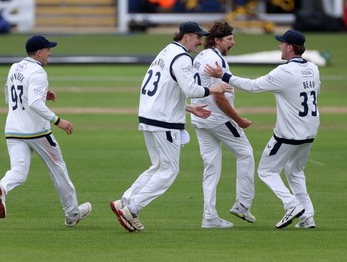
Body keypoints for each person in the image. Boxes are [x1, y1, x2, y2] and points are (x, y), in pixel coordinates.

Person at [110, 21, 232, 232]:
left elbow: (164, 89)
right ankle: (133, 210)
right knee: (169, 171)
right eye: (198, 37)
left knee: (158, 166)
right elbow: (191, 88)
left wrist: (189, 109)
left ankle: (126, 201)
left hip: (150, 116)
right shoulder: (182, 57)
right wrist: (215, 88)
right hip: (164, 121)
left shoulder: (166, 51)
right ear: (186, 37)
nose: (201, 42)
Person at [206, 29, 320, 229]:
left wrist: (224, 76)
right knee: (295, 172)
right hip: (309, 131)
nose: (279, 46)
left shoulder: (284, 71)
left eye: (282, 43)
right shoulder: (313, 68)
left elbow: (252, 86)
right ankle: (308, 216)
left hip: (288, 134)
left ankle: (291, 205)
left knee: (266, 171)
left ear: (290, 47)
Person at [0, 36, 91, 227]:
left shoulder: (15, 67)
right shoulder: (38, 72)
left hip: (13, 129)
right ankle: (72, 214)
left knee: (18, 172)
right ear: (39, 53)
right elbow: (34, 102)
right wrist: (58, 120)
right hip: (37, 132)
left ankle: (1, 188)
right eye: (47, 50)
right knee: (58, 170)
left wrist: (41, 93)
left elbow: (10, 94)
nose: (50, 53)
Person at [191, 21, 255, 228]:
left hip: (200, 118)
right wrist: (239, 120)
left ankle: (209, 216)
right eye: (229, 39)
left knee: (211, 168)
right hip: (218, 119)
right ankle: (243, 205)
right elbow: (219, 98)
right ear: (217, 40)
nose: (233, 43)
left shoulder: (201, 56)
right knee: (245, 154)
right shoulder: (216, 61)